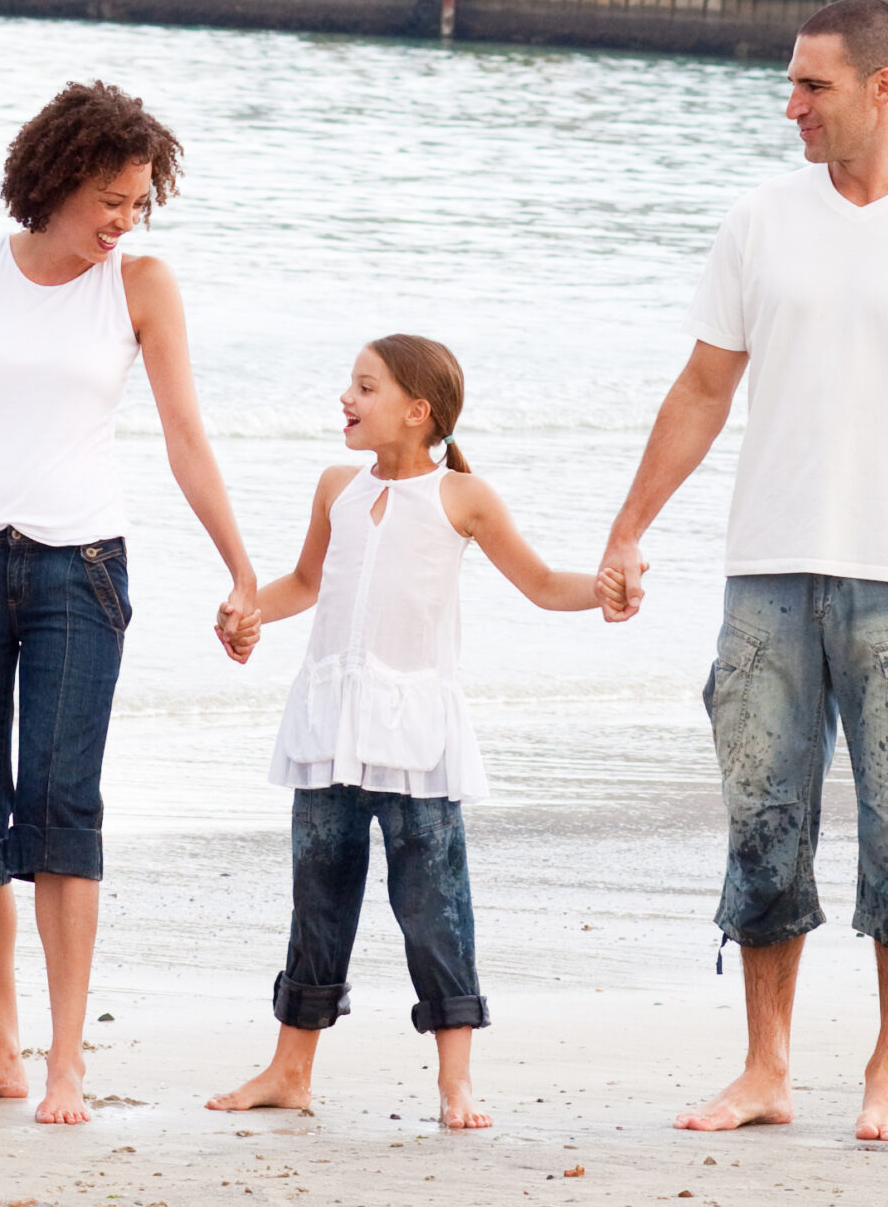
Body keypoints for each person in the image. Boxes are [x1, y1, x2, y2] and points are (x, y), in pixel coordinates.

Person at [596, 0, 888, 1142]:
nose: (790, 106)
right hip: (767, 571)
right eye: (791, 84)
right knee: (762, 828)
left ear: (881, 88)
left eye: (813, 86)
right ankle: (765, 1068)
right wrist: (629, 526)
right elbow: (704, 386)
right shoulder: (760, 221)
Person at [0, 81, 260, 1125]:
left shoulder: (141, 286)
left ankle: (64, 1062)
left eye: (138, 203)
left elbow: (185, 436)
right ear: (55, 180)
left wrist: (240, 568)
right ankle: (0, 1052)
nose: (122, 221)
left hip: (80, 569)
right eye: (108, 199)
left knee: (61, 809)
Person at [206, 336, 601, 1129]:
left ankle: (456, 1082)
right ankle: (290, 1071)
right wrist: (249, 612)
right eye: (350, 385)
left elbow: (541, 583)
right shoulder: (336, 488)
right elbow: (307, 584)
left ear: (418, 411)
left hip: (414, 737)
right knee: (318, 901)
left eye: (366, 387)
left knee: (433, 905)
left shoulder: (463, 497)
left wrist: (607, 590)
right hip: (328, 728)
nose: (346, 399)